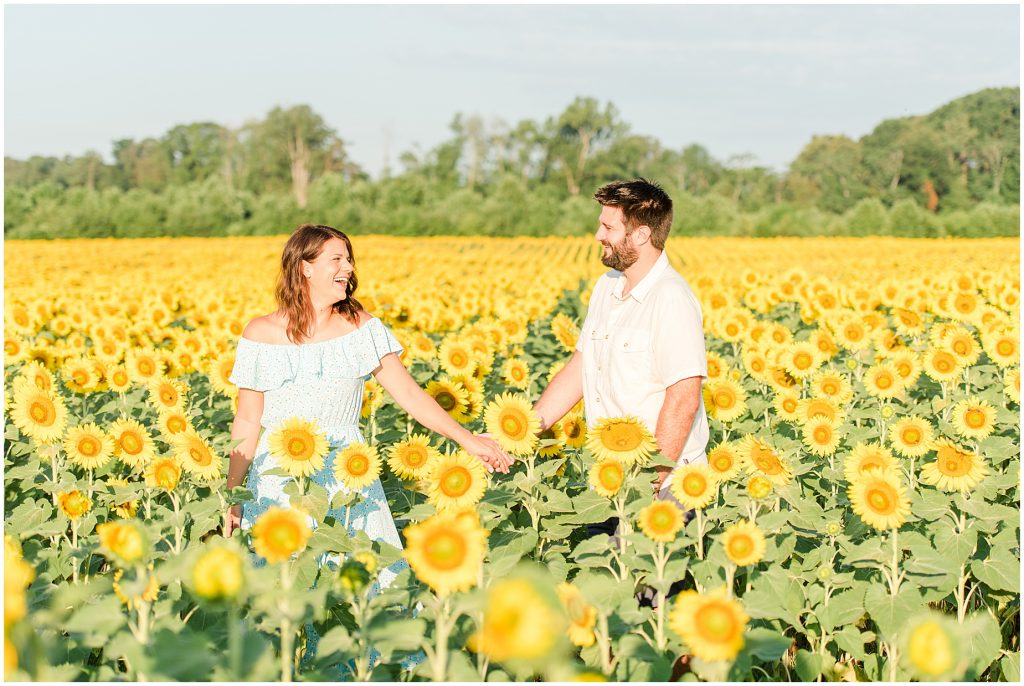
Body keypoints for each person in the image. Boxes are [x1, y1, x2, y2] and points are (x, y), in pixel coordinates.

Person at [224, 223, 512, 585]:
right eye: (337, 259)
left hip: (348, 475)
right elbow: (248, 421)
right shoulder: (260, 334)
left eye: (349, 260)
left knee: (370, 590)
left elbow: (409, 395)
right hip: (276, 483)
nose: (348, 269)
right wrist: (233, 496)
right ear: (304, 267)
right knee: (283, 593)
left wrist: (469, 440)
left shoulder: (360, 328)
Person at [533, 178, 708, 531]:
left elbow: (683, 399)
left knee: (649, 584)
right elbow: (581, 366)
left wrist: (652, 482)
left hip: (664, 486)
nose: (598, 235)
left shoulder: (670, 298)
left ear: (641, 235)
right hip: (612, 479)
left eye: (608, 227)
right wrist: (527, 428)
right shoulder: (608, 286)